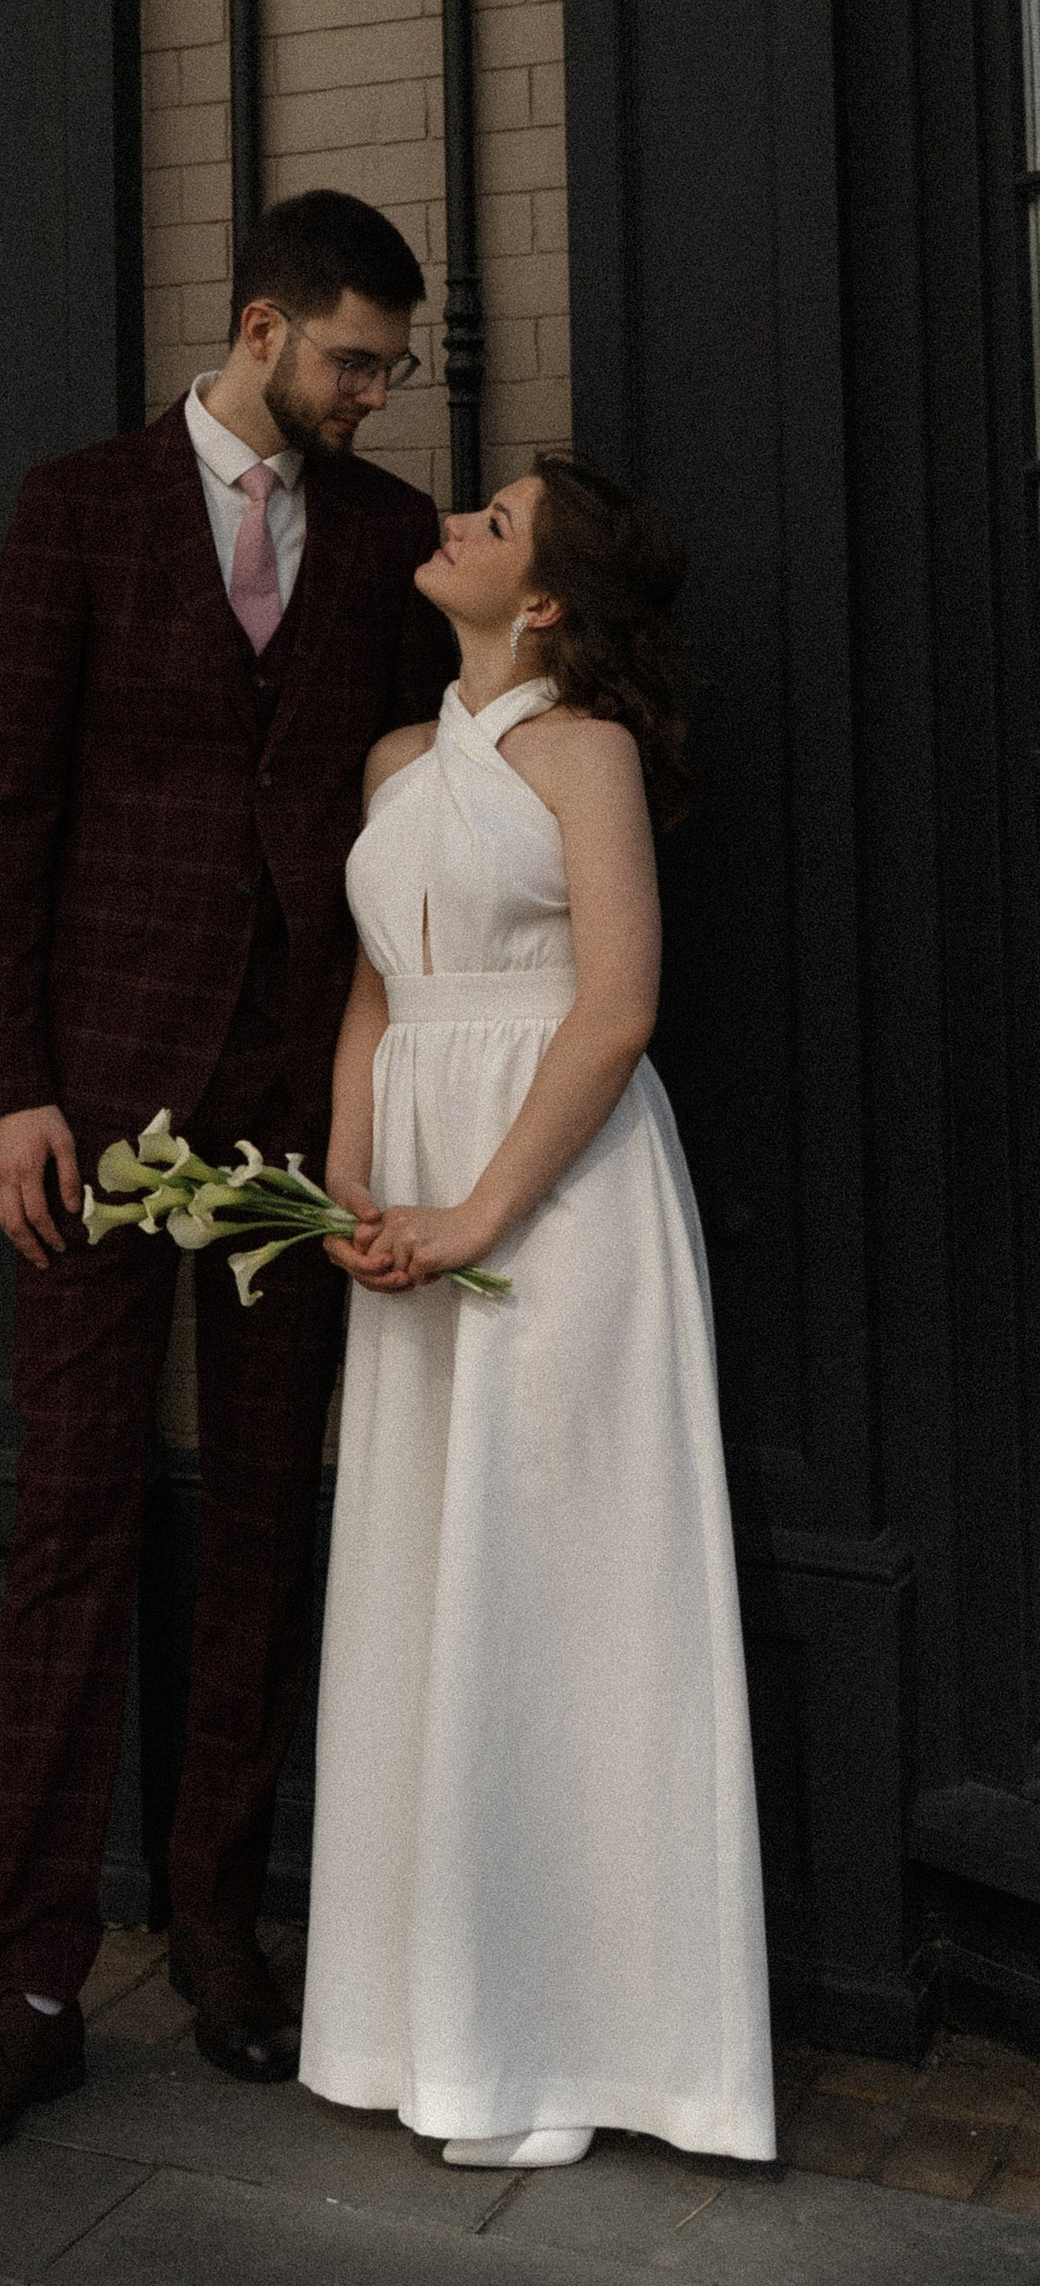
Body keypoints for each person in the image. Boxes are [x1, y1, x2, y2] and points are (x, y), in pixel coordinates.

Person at [0, 188, 455, 2167]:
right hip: (102, 1107)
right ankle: (25, 1991)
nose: (374, 395)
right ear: (260, 328)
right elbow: (5, 820)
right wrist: (14, 1092)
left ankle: (217, 1920)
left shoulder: (387, 534)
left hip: (302, 1100)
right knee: (72, 1523)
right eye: (353, 360)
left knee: (274, 1513)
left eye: (394, 367)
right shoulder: (75, 512)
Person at [298, 456, 772, 2169]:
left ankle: (577, 2051)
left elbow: (619, 1009)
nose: (456, 526)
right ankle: (427, 2025)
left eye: (494, 525)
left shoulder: (587, 752)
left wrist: (478, 1214)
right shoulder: (396, 761)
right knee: (432, 1583)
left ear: (550, 599)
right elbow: (375, 990)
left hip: (557, 1205)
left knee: (562, 1597)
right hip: (414, 1193)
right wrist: (348, 1179)